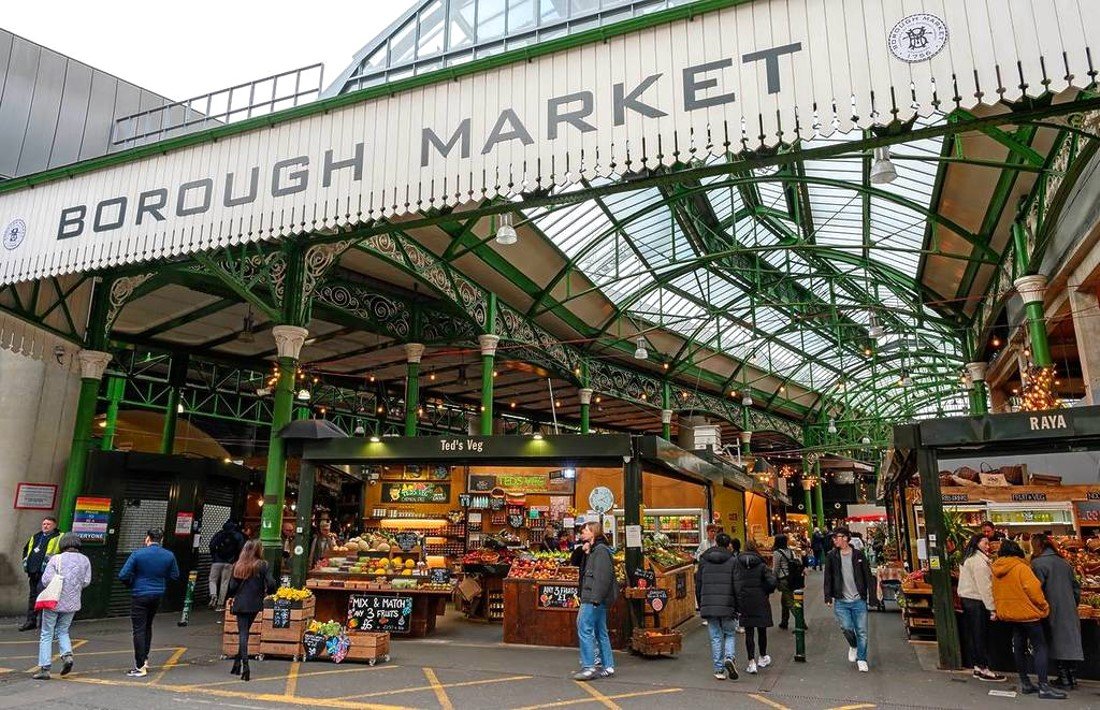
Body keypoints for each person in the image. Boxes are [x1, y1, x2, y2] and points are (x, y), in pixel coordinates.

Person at [991, 539, 1064, 700]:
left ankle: (1025, 683)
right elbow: (1034, 591)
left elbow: (994, 591)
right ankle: (1044, 686)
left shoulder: (996, 569)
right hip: (1028, 614)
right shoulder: (1021, 567)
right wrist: (1044, 607)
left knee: (1019, 647)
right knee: (1040, 647)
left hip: (1010, 614)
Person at [118, 528, 180, 678]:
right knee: (147, 626)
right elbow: (175, 575)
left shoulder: (138, 554)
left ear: (147, 538)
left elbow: (123, 575)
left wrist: (132, 583)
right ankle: (145, 659)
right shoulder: (169, 555)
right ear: (161, 539)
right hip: (157, 594)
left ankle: (140, 666)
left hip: (139, 593)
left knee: (138, 629)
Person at [31, 534, 91, 680]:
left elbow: (45, 580)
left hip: (54, 601)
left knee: (46, 633)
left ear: (63, 544)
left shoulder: (56, 559)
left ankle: (45, 668)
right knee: (63, 630)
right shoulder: (85, 560)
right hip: (73, 602)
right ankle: (67, 656)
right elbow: (86, 581)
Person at [1030, 533, 1083, 691]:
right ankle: (1071, 677)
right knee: (1069, 640)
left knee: (1055, 640)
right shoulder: (1064, 562)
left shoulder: (1038, 564)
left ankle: (1064, 678)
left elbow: (1036, 589)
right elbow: (1076, 586)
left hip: (1051, 606)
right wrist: (1073, 602)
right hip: (1068, 606)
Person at [823, 528, 874, 672]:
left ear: (845, 538)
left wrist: (872, 596)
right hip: (841, 600)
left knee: (862, 631)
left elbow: (867, 575)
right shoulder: (832, 556)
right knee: (846, 627)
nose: (834, 540)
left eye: (836, 537)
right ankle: (853, 645)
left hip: (859, 599)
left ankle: (862, 658)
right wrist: (827, 596)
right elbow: (828, 577)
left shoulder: (858, 555)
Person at [225, 540, 276, 681]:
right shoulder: (262, 565)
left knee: (243, 632)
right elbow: (271, 582)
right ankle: (242, 665)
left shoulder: (238, 565)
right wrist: (269, 592)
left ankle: (240, 664)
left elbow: (232, 587)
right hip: (254, 603)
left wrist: (231, 597)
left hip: (240, 603)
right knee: (245, 632)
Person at [573, 521, 617, 681]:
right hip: (595, 598)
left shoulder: (600, 551)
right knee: (600, 632)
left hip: (592, 597)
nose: (581, 534)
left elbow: (602, 577)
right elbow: (574, 562)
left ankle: (589, 666)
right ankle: (608, 666)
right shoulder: (593, 550)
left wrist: (595, 599)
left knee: (584, 628)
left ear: (593, 532)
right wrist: (583, 550)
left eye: (584, 531)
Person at [957, 534, 1005, 682]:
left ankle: (978, 666)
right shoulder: (978, 562)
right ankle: (984, 668)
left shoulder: (970, 559)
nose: (988, 545)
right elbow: (984, 586)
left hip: (968, 600)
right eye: (985, 542)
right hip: (977, 601)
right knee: (980, 634)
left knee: (974, 634)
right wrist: (992, 608)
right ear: (977, 543)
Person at [695, 532, 739, 680]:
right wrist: (738, 605)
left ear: (715, 543)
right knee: (730, 633)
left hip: (709, 603)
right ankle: (729, 657)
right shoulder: (733, 560)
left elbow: (698, 583)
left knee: (715, 637)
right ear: (729, 545)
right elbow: (737, 584)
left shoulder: (704, 559)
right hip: (728, 603)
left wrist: (701, 603)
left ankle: (719, 669)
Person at [733, 539, 775, 674]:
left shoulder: (738, 564)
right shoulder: (761, 564)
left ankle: (751, 662)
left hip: (745, 600)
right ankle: (762, 657)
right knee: (762, 630)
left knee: (749, 632)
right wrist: (765, 590)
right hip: (760, 600)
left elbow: (735, 582)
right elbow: (772, 581)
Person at [19, 516, 63, 632]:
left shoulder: (59, 537)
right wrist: (25, 563)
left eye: (48, 524)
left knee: (46, 597)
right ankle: (31, 621)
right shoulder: (36, 536)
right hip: (34, 571)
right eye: (44, 524)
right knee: (33, 597)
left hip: (48, 573)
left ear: (54, 526)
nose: (45, 526)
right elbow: (26, 549)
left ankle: (45, 623)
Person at [208, 521, 245, 611]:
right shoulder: (237, 536)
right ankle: (220, 604)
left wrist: (214, 556)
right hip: (229, 562)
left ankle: (213, 594)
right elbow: (241, 549)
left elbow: (211, 545)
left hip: (217, 561)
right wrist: (235, 559)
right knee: (224, 582)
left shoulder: (219, 534)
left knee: (212, 580)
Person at [773, 534, 803, 631]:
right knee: (784, 601)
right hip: (791, 578)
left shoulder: (777, 553)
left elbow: (776, 569)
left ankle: (801, 622)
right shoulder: (790, 551)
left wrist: (773, 579)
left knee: (790, 602)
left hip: (783, 579)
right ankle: (784, 622)